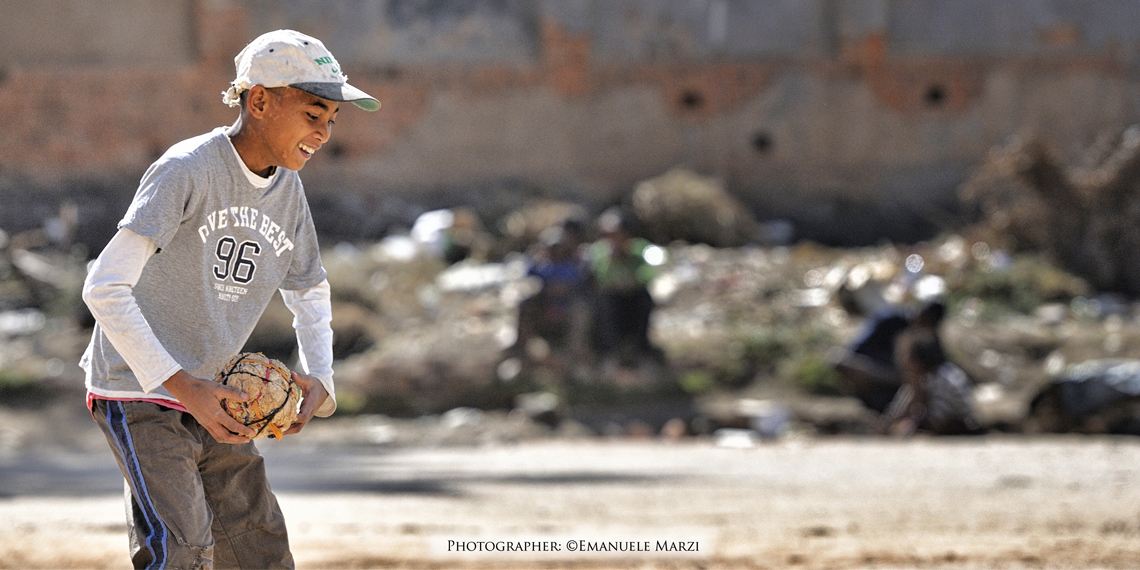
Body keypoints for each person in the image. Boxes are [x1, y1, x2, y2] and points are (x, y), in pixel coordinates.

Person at [79, 30, 379, 569]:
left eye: (332, 120)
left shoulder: (289, 190)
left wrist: (321, 378)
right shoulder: (188, 168)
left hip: (216, 394)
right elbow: (103, 286)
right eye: (314, 113)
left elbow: (309, 288)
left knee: (258, 546)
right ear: (260, 100)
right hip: (138, 388)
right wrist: (181, 384)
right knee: (182, 549)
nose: (325, 133)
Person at [884, 323, 980, 436]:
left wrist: (919, 397)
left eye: (905, 355)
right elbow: (891, 420)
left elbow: (938, 422)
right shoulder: (921, 379)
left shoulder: (944, 378)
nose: (901, 361)